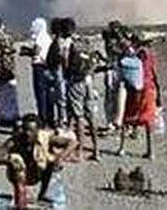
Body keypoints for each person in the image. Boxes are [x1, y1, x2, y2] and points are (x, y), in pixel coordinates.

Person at [0, 113, 74, 209]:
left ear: (37, 130)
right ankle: (21, 202)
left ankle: (42, 195)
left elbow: (72, 142)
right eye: (25, 129)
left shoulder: (45, 138)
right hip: (21, 173)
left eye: (31, 130)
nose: (27, 133)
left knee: (50, 161)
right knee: (17, 165)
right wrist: (9, 160)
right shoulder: (15, 140)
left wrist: (60, 158)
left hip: (38, 171)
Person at [48, 17, 100, 161]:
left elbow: (61, 64)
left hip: (75, 83)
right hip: (88, 81)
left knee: (78, 118)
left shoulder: (64, 43)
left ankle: (79, 152)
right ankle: (97, 150)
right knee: (90, 116)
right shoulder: (82, 41)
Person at [117, 33, 161, 159]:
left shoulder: (135, 55)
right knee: (148, 120)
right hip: (148, 89)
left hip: (135, 89)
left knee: (128, 116)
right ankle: (151, 152)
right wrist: (158, 95)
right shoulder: (150, 55)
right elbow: (154, 74)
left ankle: (122, 148)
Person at [21, 17, 55, 127]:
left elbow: (36, 51)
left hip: (39, 67)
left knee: (41, 94)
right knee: (48, 95)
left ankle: (43, 120)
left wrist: (26, 52)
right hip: (47, 67)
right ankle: (49, 118)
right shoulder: (47, 37)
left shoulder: (40, 37)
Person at [101, 20, 130, 134]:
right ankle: (112, 122)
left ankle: (117, 121)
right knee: (112, 97)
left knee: (118, 98)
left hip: (117, 70)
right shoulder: (111, 41)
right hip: (113, 70)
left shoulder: (117, 41)